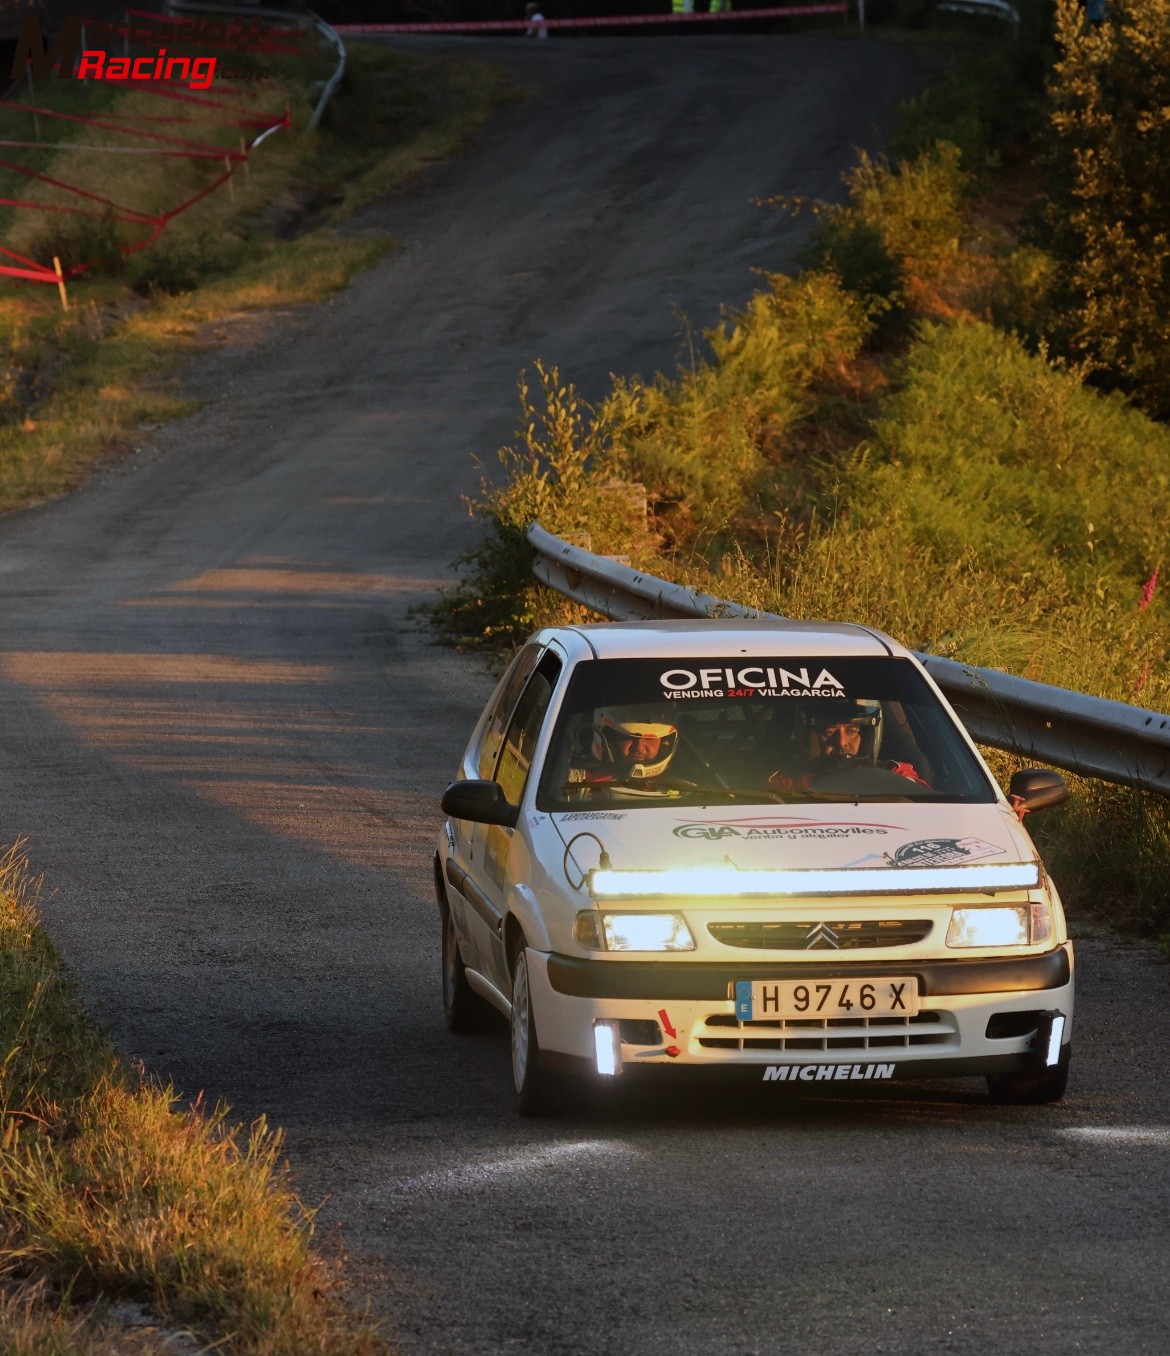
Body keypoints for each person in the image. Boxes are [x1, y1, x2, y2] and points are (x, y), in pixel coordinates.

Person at [769, 701, 930, 789]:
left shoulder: (897, 773)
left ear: (867, 738)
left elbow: (923, 800)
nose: (841, 742)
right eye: (829, 733)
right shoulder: (788, 781)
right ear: (813, 739)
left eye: (851, 732)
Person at [568, 707, 679, 786]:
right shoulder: (573, 781)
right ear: (610, 738)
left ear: (665, 742)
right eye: (627, 737)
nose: (639, 747)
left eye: (649, 738)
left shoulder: (688, 789)